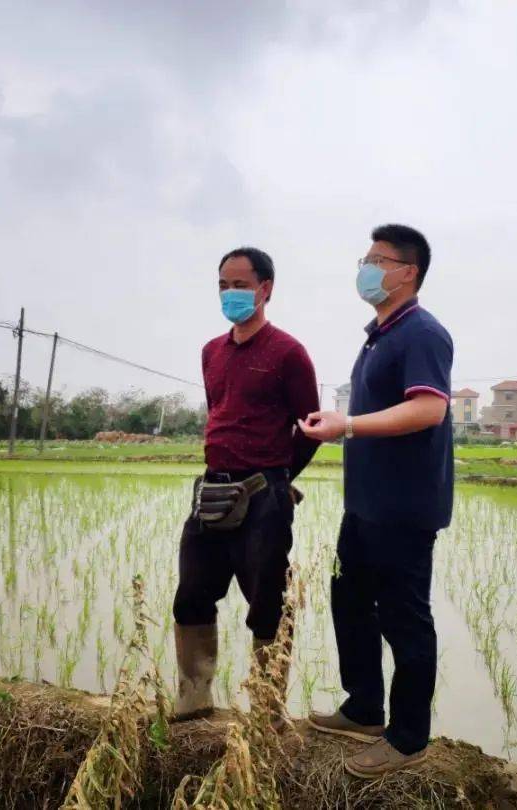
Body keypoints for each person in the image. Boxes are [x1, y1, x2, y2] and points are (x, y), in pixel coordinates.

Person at [299, 224, 453, 778]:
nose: (365, 269)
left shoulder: (422, 333)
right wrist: (339, 423)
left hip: (403, 510)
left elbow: (428, 410)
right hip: (364, 507)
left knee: (404, 618)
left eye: (376, 259)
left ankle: (408, 737)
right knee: (350, 601)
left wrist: (348, 426)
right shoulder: (380, 335)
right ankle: (365, 706)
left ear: (407, 272)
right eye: (363, 259)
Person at [171, 246, 321, 722]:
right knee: (192, 593)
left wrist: (277, 478)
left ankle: (266, 707)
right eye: (223, 285)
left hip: (264, 497)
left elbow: (311, 427)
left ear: (265, 290)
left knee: (267, 602)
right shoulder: (211, 352)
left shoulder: (289, 353)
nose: (230, 293)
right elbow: (220, 412)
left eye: (240, 285)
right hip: (211, 492)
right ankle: (194, 695)